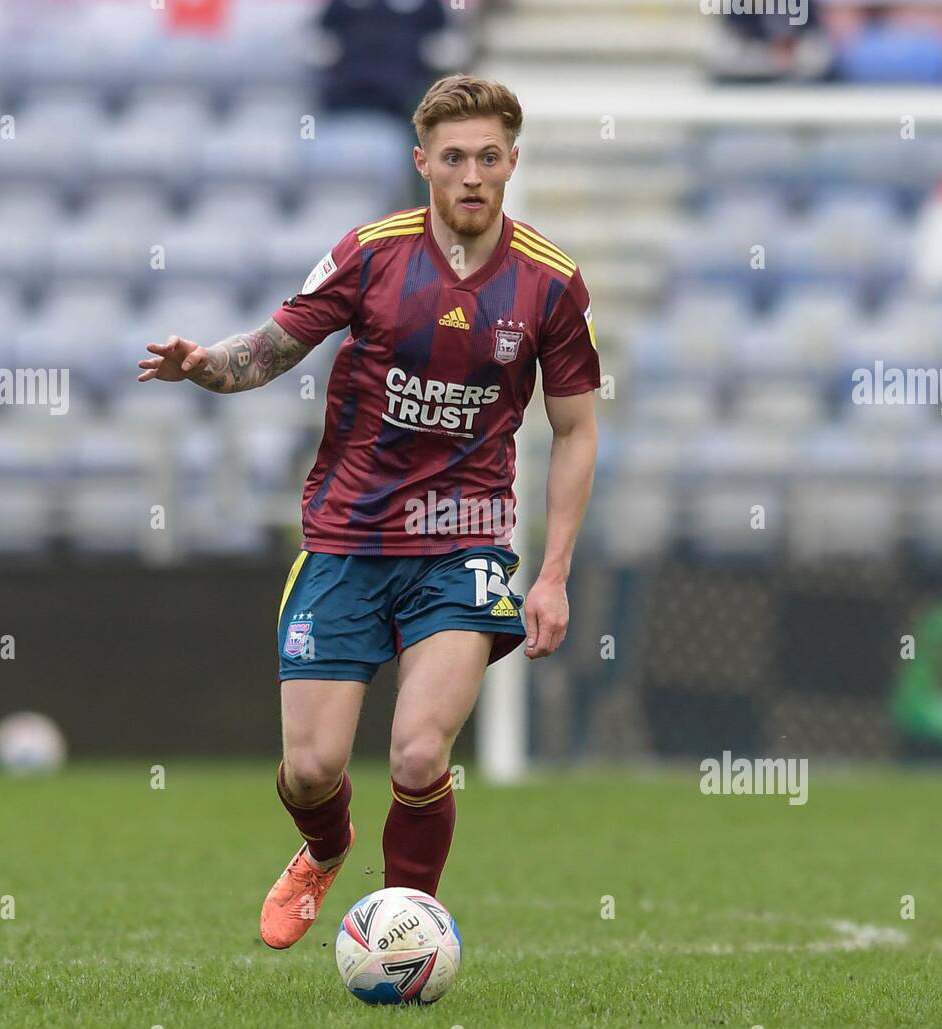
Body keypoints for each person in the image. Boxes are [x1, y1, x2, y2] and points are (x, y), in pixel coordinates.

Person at [136, 74, 600, 949]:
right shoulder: (372, 253)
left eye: (489, 157)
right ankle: (325, 846)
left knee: (421, 754)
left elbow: (575, 431)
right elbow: (271, 348)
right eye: (453, 158)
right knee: (311, 770)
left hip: (464, 547)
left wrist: (552, 572)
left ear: (512, 161)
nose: (471, 174)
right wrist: (206, 365)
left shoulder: (551, 284)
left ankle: (404, 932)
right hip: (348, 541)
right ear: (422, 162)